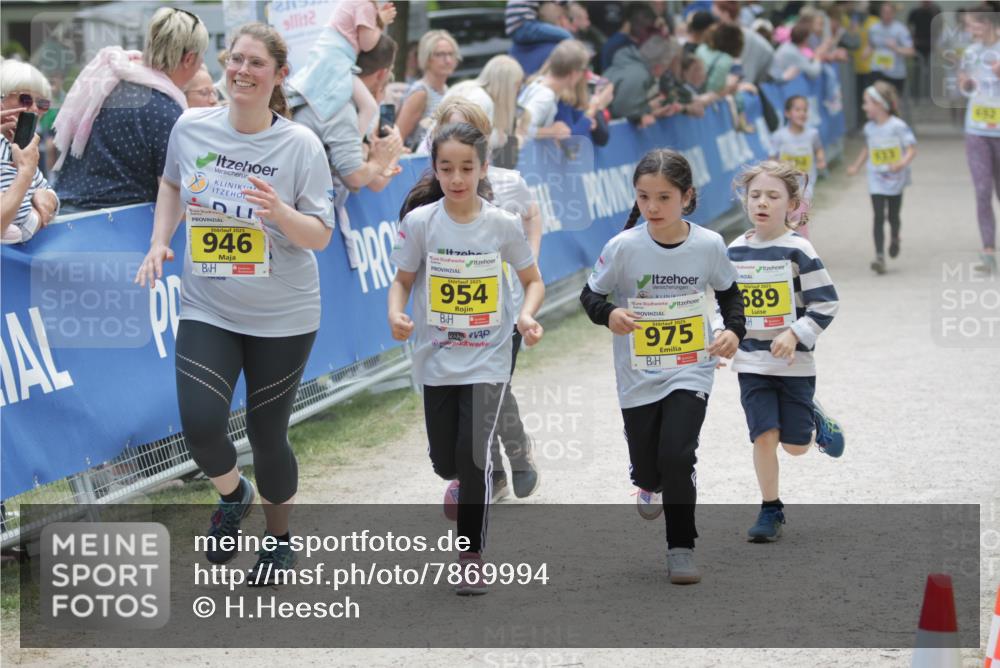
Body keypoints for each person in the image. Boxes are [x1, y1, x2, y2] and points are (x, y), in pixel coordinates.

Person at [134, 23, 335, 585]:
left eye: (256, 64)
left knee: (268, 433)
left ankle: (279, 542)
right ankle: (232, 493)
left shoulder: (300, 145)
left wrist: (279, 213)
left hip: (284, 313)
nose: (242, 72)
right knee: (200, 425)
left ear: (278, 76)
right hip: (209, 305)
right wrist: (159, 242)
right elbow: (172, 184)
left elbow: (319, 233)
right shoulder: (190, 126)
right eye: (236, 60)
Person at [388, 122, 545, 595]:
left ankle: (470, 555)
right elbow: (402, 281)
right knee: (445, 460)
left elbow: (532, 279)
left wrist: (525, 315)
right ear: (434, 169)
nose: (456, 178)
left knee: (473, 458)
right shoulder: (420, 223)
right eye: (446, 168)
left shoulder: (501, 223)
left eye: (466, 168)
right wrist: (397, 314)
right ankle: (459, 480)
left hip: (488, 356)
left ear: (483, 168)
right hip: (437, 357)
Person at [579, 149, 746, 585]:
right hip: (638, 375)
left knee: (678, 454)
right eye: (644, 197)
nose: (652, 207)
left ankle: (681, 548)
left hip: (691, 368)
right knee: (650, 468)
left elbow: (731, 295)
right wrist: (609, 315)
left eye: (664, 198)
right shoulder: (622, 247)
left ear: (687, 197)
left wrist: (733, 332)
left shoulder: (708, 245)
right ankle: (646, 480)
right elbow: (590, 296)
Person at [423, 98, 544, 503]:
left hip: (501, 312)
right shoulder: (428, 192)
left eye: (466, 132)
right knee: (467, 396)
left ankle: (518, 451)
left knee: (492, 390)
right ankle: (489, 474)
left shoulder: (509, 182)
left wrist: (530, 262)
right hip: (447, 320)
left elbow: (532, 216)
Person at [727, 160, 843, 543]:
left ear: (792, 203)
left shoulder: (799, 250)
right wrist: (722, 332)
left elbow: (825, 303)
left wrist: (794, 334)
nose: (762, 202)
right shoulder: (734, 251)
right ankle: (770, 509)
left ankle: (813, 417)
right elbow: (723, 303)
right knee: (764, 435)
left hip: (795, 364)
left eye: (773, 196)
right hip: (751, 361)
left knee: (795, 446)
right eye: (754, 194)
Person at [54, 7, 209, 211]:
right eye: (201, 57)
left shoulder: (108, 83)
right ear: (189, 59)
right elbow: (172, 198)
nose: (201, 64)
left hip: (64, 216)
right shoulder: (166, 112)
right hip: (120, 227)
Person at [291, 34, 404, 268]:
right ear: (383, 74)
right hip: (302, 223)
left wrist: (377, 158)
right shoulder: (340, 107)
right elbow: (360, 178)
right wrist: (386, 155)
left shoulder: (327, 92)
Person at [287, 0, 396, 138]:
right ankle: (355, 144)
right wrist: (380, 22)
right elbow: (367, 43)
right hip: (336, 61)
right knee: (369, 106)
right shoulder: (364, 5)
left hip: (331, 58)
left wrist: (378, 17)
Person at [846, 81, 917, 275]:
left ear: (879, 104)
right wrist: (856, 166)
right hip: (876, 179)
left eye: (867, 102)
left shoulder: (898, 126)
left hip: (896, 179)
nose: (864, 107)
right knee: (878, 216)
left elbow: (911, 149)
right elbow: (868, 149)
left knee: (893, 216)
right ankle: (879, 256)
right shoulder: (869, 128)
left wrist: (902, 163)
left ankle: (894, 237)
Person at [1, 60, 59, 244]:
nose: (34, 108)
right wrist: (38, 214)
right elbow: (18, 220)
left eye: (42, 103)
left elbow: (51, 194)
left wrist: (48, 199)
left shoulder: (17, 146)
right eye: (25, 99)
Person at [959, 11, 1000, 274]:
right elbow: (963, 87)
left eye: (975, 23)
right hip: (976, 129)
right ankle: (988, 251)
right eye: (969, 24)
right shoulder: (970, 53)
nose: (971, 28)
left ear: (990, 24)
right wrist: (965, 83)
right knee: (983, 190)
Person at [422, 55, 525, 155]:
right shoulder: (482, 99)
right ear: (506, 85)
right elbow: (468, 137)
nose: (517, 92)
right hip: (440, 160)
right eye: (516, 86)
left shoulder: (467, 88)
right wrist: (506, 139)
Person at [769, 95, 826, 238]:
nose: (802, 113)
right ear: (787, 113)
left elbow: (818, 148)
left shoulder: (812, 134)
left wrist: (820, 159)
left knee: (801, 217)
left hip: (805, 187)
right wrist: (777, 167)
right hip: (784, 187)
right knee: (785, 219)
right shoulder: (779, 136)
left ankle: (802, 245)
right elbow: (771, 159)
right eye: (797, 109)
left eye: (805, 110)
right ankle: (787, 246)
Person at [397, 30, 460, 151]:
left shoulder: (447, 90)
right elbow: (398, 137)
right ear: (426, 58)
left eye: (451, 54)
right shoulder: (421, 93)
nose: (447, 60)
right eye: (440, 54)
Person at [518, 39, 590, 140]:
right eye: (583, 70)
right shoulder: (545, 95)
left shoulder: (539, 83)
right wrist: (551, 131)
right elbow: (520, 128)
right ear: (574, 74)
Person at [606, 34, 681, 127]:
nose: (666, 71)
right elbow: (622, 110)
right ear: (659, 67)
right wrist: (646, 111)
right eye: (666, 67)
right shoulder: (639, 75)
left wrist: (649, 109)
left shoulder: (630, 64)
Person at [867, 1, 915, 97]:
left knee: (892, 103)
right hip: (877, 70)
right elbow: (871, 45)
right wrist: (867, 51)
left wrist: (896, 48)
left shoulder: (901, 29)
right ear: (880, 13)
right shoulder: (873, 29)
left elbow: (911, 51)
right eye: (884, 12)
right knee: (878, 100)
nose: (887, 15)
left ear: (893, 13)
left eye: (889, 12)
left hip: (896, 73)